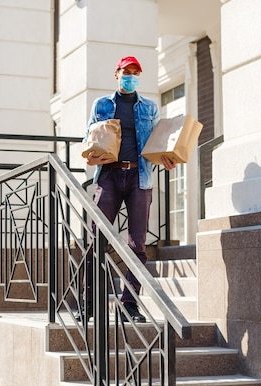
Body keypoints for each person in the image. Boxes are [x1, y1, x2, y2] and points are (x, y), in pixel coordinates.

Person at [82, 55, 178, 323]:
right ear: (117, 74)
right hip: (109, 177)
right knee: (96, 241)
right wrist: (90, 154)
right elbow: (87, 137)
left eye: (136, 72)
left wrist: (167, 158)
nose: (131, 76)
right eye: (126, 71)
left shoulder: (150, 107)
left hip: (140, 178)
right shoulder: (101, 104)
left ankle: (129, 304)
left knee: (137, 245)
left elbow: (158, 143)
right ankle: (89, 303)